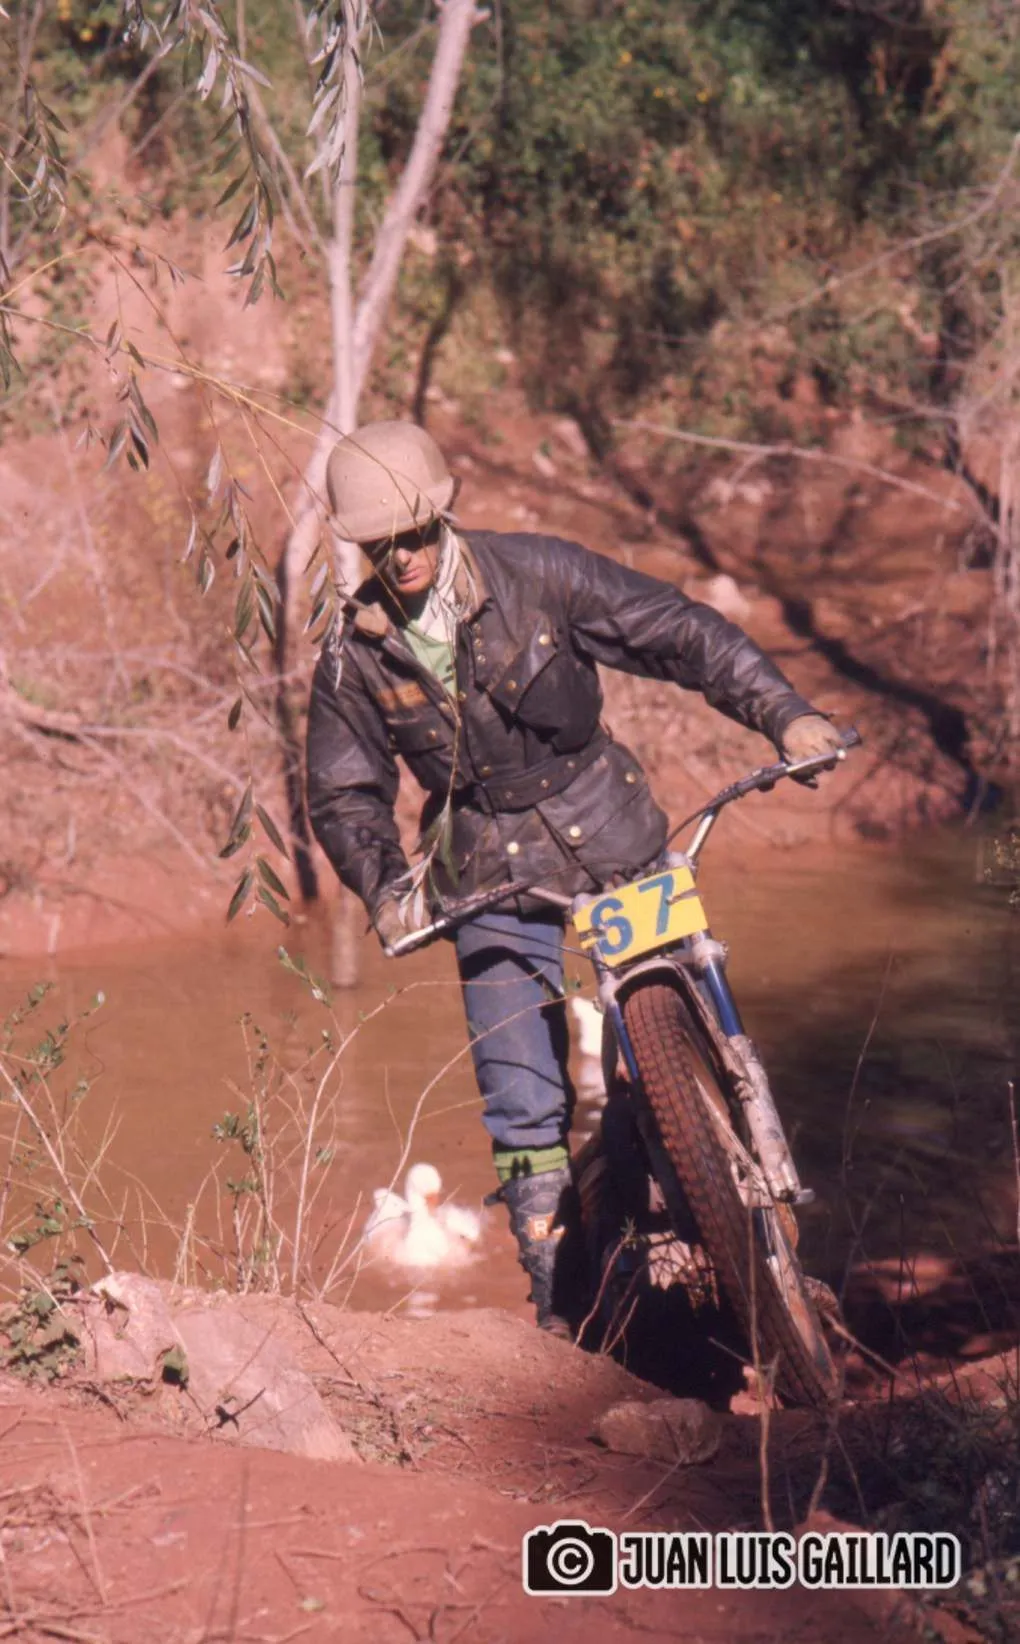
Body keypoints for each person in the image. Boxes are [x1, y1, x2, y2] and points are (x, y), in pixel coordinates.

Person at [305, 420, 843, 1334]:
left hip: (612, 826)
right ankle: (557, 1308)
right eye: (379, 543)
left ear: (443, 514)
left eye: (415, 533)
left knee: (697, 1013)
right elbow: (343, 791)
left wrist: (783, 713)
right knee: (520, 1100)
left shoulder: (539, 572)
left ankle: (752, 1185)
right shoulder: (352, 653)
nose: (402, 557)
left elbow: (678, 633)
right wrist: (386, 888)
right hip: (483, 867)